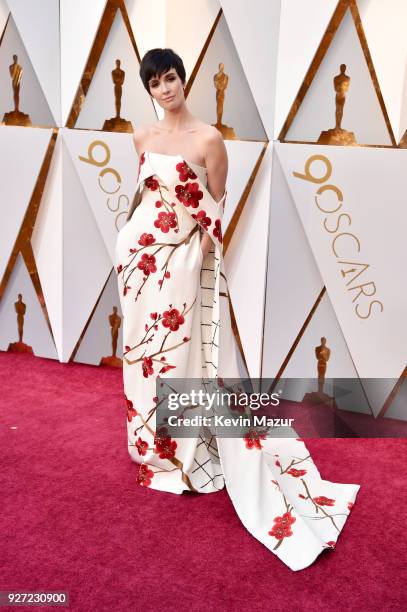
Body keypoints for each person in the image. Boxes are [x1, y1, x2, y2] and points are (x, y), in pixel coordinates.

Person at [115, 48, 360, 571]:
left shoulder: (209, 139)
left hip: (182, 265)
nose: (166, 88)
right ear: (149, 89)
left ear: (185, 79)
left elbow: (214, 212)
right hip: (137, 261)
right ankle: (153, 449)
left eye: (172, 78)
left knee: (180, 358)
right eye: (155, 82)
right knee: (141, 357)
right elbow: (143, 196)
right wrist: (129, 247)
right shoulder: (140, 136)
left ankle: (187, 448)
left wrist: (191, 269)